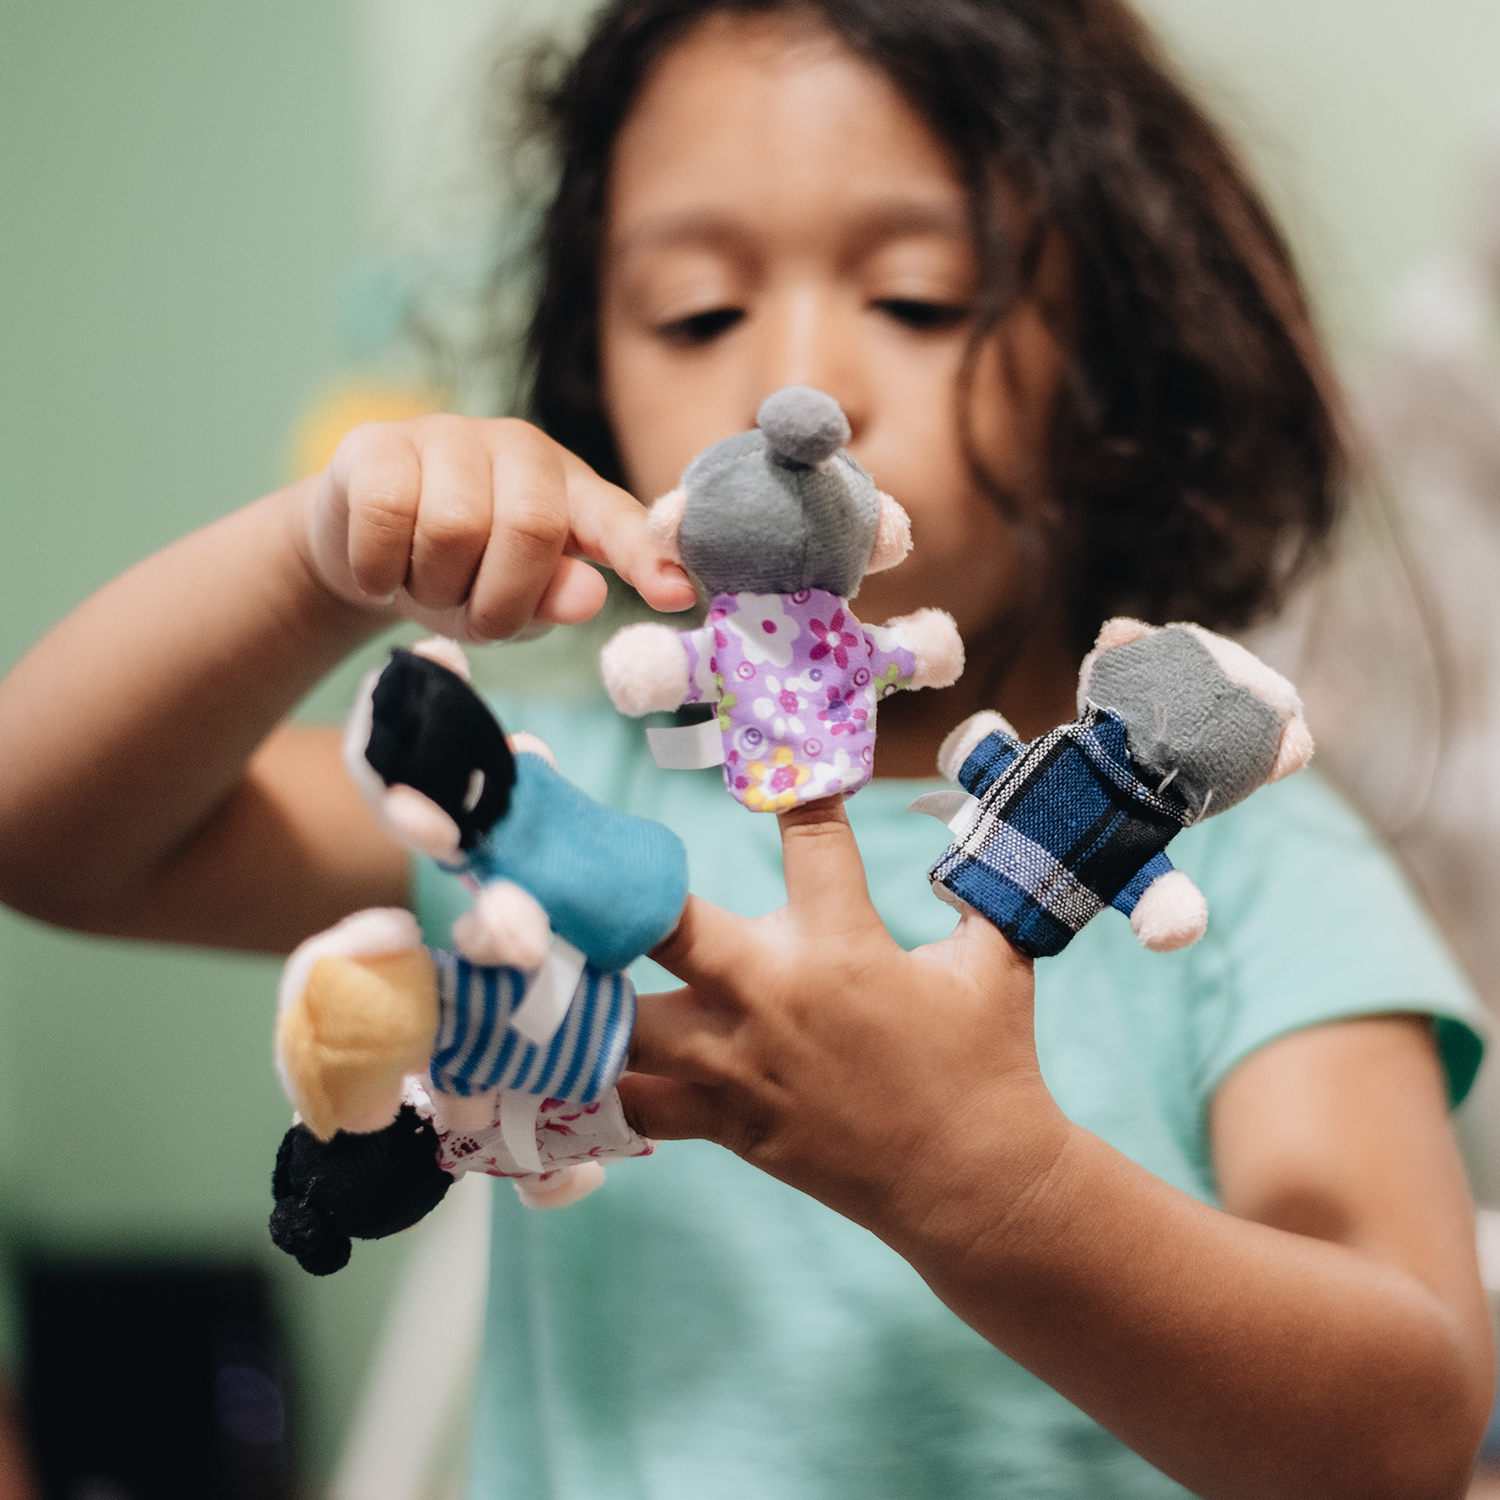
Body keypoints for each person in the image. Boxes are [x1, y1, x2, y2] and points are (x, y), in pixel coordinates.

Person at [0, 1, 1491, 1496]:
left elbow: (1406, 1439)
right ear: (593, 368)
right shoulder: (528, 801)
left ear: (1114, 364)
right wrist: (314, 564)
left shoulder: (1237, 859)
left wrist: (988, 1183)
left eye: (917, 297)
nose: (798, 386)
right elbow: (46, 832)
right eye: (696, 312)